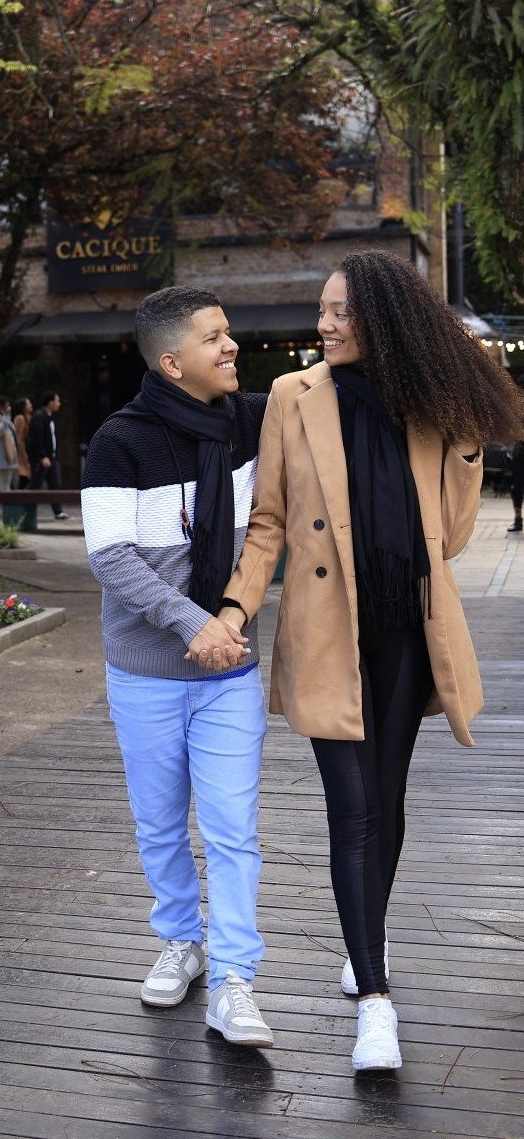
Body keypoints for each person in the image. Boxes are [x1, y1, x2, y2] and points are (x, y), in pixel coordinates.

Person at [191, 250, 523, 1072]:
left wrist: (466, 440)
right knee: (352, 808)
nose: (325, 324)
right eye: (323, 309)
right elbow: (268, 521)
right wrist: (235, 605)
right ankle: (375, 1000)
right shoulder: (293, 397)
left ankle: (363, 932)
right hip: (326, 631)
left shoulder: (430, 406)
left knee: (387, 798)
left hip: (408, 627)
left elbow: (450, 537)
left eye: (342, 312)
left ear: (386, 320)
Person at [81, 285, 274, 1047]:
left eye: (229, 331)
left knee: (232, 831)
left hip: (229, 671)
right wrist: (193, 623)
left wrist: (225, 624)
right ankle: (180, 941)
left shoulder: (252, 422)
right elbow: (111, 558)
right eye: (214, 337)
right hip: (147, 673)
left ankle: (233, 980)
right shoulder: (118, 442)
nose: (231, 346)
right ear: (171, 362)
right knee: (160, 823)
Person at [28, 390, 67, 519]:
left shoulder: (49, 416)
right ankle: (27, 510)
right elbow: (36, 438)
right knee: (36, 484)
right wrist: (42, 456)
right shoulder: (39, 416)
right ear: (50, 402)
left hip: (51, 457)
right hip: (42, 458)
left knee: (55, 483)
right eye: (57, 401)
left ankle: (58, 511)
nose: (59, 403)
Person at [507, 375, 524, 532]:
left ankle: (518, 520)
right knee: (517, 486)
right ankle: (518, 519)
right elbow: (512, 430)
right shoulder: (517, 408)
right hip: (520, 450)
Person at [12, 397, 33, 490]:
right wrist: (22, 454)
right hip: (21, 451)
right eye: (28, 404)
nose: (31, 405)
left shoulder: (28, 418)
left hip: (26, 449)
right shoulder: (20, 418)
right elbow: (18, 438)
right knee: (23, 475)